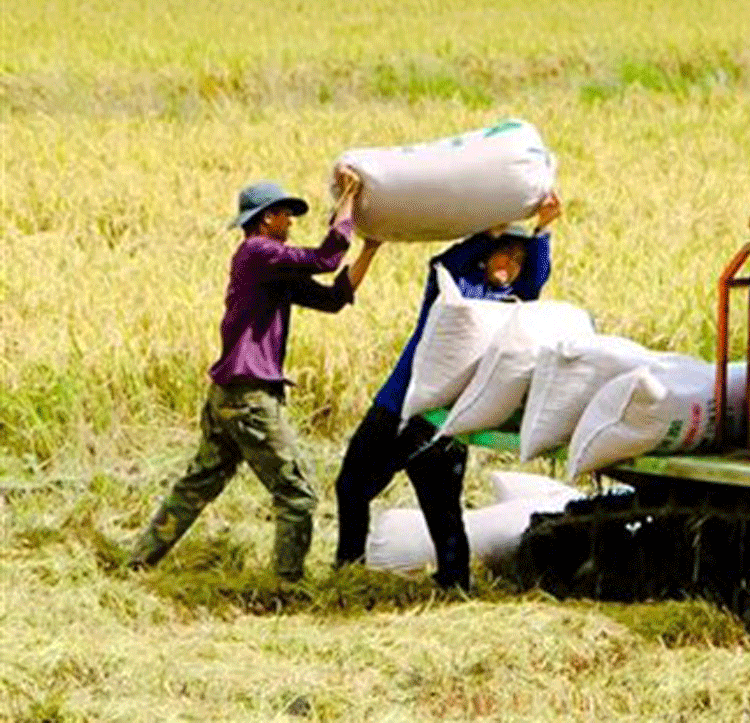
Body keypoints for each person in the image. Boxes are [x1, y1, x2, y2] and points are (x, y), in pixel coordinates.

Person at [129, 174, 382, 582]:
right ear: (266, 220)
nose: (291, 223)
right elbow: (325, 259)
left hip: (229, 395)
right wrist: (348, 203)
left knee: (198, 484)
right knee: (297, 495)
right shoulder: (258, 252)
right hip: (249, 398)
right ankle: (287, 585)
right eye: (286, 215)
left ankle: (140, 561)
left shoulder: (271, 269)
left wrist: (370, 249)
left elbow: (331, 298)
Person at [333, 193, 561, 591]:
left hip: (433, 418)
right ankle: (354, 569)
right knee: (357, 487)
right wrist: (486, 234)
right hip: (409, 407)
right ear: (485, 257)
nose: (510, 265)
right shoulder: (456, 290)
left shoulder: (511, 304)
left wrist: (542, 231)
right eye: (503, 255)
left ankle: (448, 581)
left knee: (436, 503)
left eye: (518, 260)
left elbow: (536, 279)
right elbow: (444, 263)